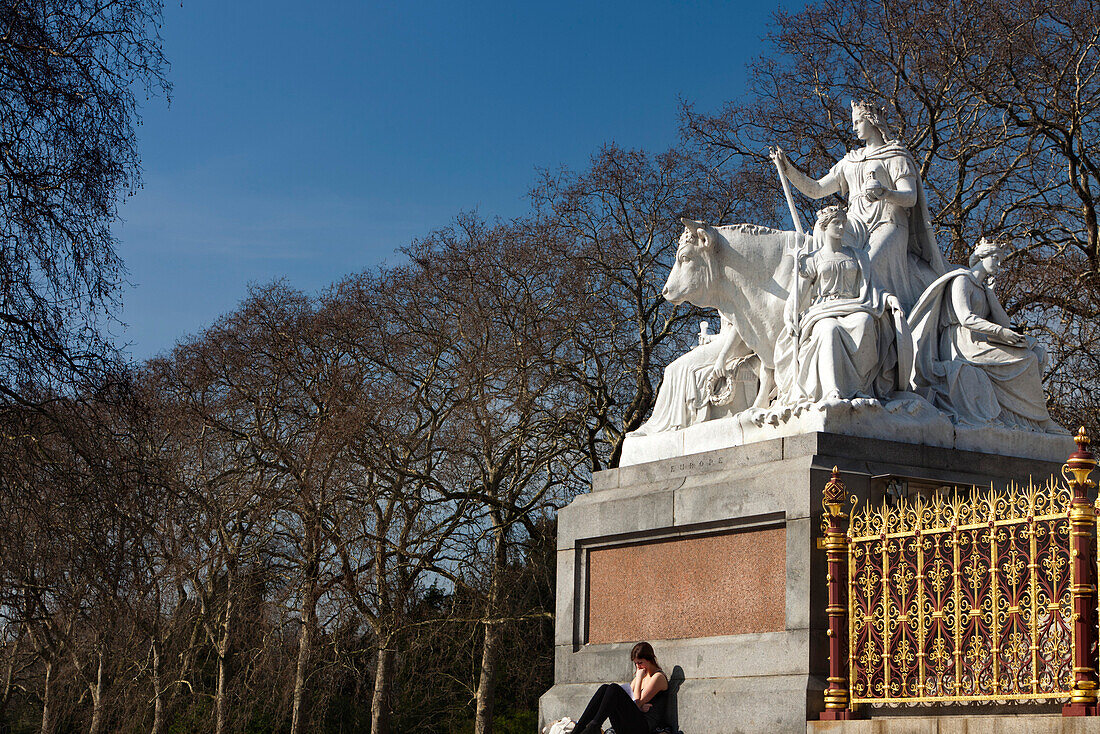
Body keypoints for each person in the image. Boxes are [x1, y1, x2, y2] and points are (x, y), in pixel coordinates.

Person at [771, 100, 948, 312]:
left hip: (888, 221)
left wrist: (885, 193)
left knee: (867, 266)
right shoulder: (851, 160)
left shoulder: (895, 155)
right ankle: (825, 305)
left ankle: (878, 321)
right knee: (822, 230)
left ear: (872, 121)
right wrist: (788, 169)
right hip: (854, 222)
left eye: (857, 122)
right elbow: (816, 190)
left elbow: (910, 197)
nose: (853, 128)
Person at [908, 238, 1061, 431]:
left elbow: (1004, 323)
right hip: (962, 344)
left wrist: (990, 294)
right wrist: (1000, 332)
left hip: (980, 342)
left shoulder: (982, 287)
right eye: (995, 259)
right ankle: (1039, 419)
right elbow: (966, 318)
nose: (999, 265)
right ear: (982, 257)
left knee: (1037, 353)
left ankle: (1031, 419)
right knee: (1027, 359)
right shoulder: (962, 279)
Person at [773, 205, 912, 408]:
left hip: (856, 305)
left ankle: (858, 388)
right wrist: (789, 316)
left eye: (843, 223)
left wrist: (889, 298)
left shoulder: (858, 256)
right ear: (824, 226)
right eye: (836, 223)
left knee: (865, 323)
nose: (841, 227)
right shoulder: (812, 259)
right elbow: (796, 295)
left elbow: (873, 286)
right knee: (829, 329)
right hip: (824, 310)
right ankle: (832, 390)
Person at [574, 642, 669, 734]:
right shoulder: (641, 675)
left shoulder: (658, 677)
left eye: (640, 663)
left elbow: (637, 702)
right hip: (628, 724)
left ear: (650, 659)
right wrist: (639, 707)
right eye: (636, 664)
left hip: (643, 727)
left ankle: (595, 726)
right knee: (605, 688)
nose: (638, 667)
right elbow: (632, 701)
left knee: (614, 688)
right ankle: (579, 729)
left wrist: (639, 679)